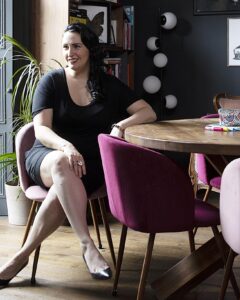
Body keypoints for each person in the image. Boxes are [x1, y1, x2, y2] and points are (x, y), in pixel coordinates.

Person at [0, 23, 156, 286]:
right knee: (63, 164)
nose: (69, 52)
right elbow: (40, 130)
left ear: (89, 50)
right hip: (49, 156)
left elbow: (148, 112)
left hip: (90, 166)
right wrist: (66, 146)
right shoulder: (52, 81)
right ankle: (87, 245)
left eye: (76, 46)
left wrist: (120, 126)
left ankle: (21, 257)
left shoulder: (107, 84)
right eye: (65, 47)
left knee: (64, 188)